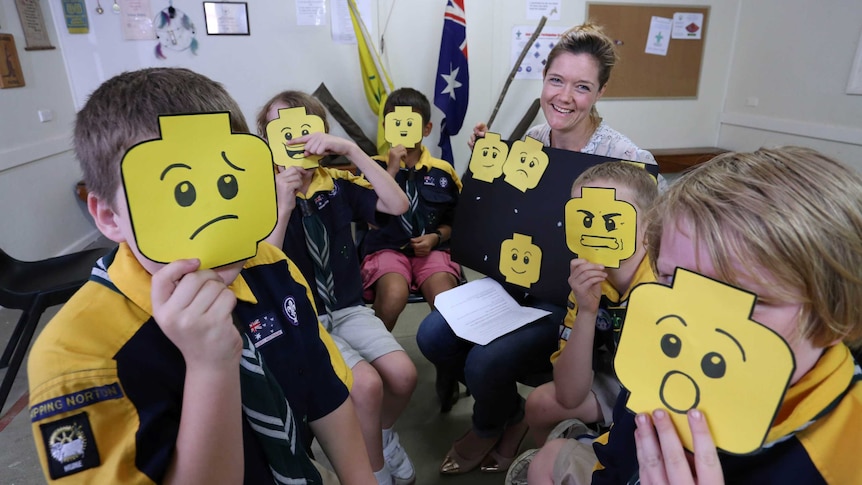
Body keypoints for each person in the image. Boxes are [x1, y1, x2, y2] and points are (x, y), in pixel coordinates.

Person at [26, 67, 373, 484]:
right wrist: (210, 367)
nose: (214, 222)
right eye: (181, 195)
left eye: (229, 185)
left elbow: (326, 394)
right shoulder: (75, 358)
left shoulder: (272, 266)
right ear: (108, 216)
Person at [530, 146, 862, 484]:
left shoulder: (843, 454)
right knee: (545, 461)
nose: (693, 323)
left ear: (834, 316)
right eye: (674, 280)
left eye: (747, 297)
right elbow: (616, 461)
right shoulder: (663, 359)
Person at [416, 22, 659, 476]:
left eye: (582, 86)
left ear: (600, 93)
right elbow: (502, 217)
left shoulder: (628, 162)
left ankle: (488, 426)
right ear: (543, 80)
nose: (565, 97)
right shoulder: (529, 144)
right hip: (516, 282)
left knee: (487, 359)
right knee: (431, 336)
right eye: (556, 81)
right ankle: (508, 412)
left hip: (574, 299)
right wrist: (486, 163)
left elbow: (642, 244)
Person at [257, 90, 417, 485]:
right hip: (300, 315)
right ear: (267, 138)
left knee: (403, 374)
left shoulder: (338, 183)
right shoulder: (261, 193)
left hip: (348, 308)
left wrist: (351, 150)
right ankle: (374, 470)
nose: (295, 141)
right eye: (282, 131)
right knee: (365, 384)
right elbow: (267, 268)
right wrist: (283, 206)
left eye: (306, 130)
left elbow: (398, 205)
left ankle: (379, 433)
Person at [504, 161, 659, 483]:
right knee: (541, 404)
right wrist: (587, 311)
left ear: (651, 223)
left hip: (658, 391)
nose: (596, 231)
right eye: (584, 219)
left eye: (613, 220)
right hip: (614, 381)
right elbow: (569, 395)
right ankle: (566, 453)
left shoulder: (666, 280)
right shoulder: (587, 281)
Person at [360, 87, 463, 332]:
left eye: (411, 123)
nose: (404, 129)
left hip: (433, 249)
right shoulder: (372, 168)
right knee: (394, 294)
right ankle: (378, 354)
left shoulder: (443, 171)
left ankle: (447, 362)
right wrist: (392, 171)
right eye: (396, 123)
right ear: (386, 126)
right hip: (385, 249)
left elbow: (456, 222)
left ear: (426, 129)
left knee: (445, 300)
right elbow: (368, 220)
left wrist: (436, 237)